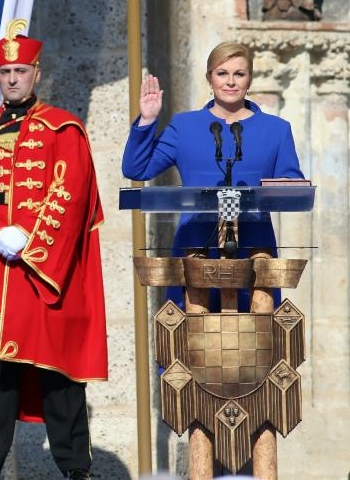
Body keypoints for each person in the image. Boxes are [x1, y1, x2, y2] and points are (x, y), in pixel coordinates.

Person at [0, 19, 108, 480]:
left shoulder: (63, 128)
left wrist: (34, 243)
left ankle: (76, 469)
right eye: (5, 72)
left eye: (20, 70)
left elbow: (72, 194)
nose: (12, 78)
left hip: (42, 273)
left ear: (36, 73)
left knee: (59, 375)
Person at [121, 41, 304, 311]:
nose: (230, 82)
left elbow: (291, 186)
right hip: (194, 242)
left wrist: (284, 188)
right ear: (210, 78)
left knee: (254, 341)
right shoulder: (184, 126)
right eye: (222, 73)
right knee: (192, 342)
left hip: (254, 249)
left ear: (249, 79)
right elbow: (137, 169)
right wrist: (147, 119)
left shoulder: (276, 130)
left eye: (239, 74)